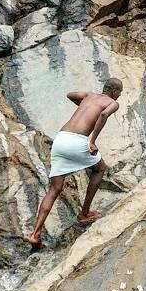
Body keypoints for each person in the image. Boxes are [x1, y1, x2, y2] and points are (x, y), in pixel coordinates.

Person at [26, 79, 123, 248]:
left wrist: (83, 105)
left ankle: (35, 234)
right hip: (77, 141)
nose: (120, 95)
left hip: (61, 139)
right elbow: (103, 115)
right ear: (114, 91)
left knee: (54, 189)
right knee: (100, 169)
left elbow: (70, 94)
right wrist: (92, 140)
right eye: (120, 92)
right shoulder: (112, 102)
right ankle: (84, 213)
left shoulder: (89, 96)